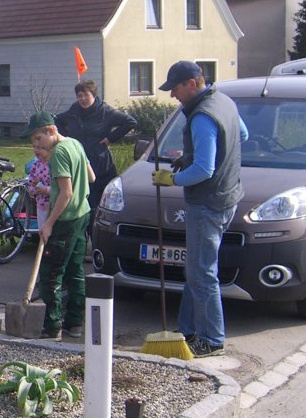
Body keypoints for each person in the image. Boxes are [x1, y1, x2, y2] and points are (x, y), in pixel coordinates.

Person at [152, 61, 247, 358]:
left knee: (203, 273)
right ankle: (189, 329)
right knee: (196, 269)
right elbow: (240, 135)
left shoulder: (202, 115)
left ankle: (211, 338)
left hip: (208, 201)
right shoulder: (224, 101)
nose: (173, 96)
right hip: (228, 196)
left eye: (175, 88)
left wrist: (173, 178)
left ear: (193, 83)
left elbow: (204, 169)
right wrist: (189, 155)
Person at [23, 111, 94, 340]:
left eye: (38, 139)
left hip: (65, 220)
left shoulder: (58, 154)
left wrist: (49, 224)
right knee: (75, 271)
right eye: (34, 141)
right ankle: (75, 323)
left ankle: (51, 325)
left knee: (52, 273)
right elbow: (91, 177)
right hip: (83, 214)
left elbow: (66, 193)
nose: (37, 145)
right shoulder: (75, 144)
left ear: (51, 131)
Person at [55, 80, 137, 238]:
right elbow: (57, 120)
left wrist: (110, 138)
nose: (83, 99)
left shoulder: (105, 111)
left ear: (93, 95)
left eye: (86, 95)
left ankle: (104, 240)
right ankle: (87, 241)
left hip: (101, 165)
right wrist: (67, 139)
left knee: (105, 206)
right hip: (80, 165)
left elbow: (130, 122)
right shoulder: (74, 111)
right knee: (87, 205)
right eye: (80, 96)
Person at [26, 147, 52, 229]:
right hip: (41, 204)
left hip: (56, 205)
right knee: (42, 229)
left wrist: (47, 190)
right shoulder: (36, 164)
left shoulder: (55, 164)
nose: (36, 150)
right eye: (34, 147)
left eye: (40, 148)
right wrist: (33, 189)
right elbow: (30, 180)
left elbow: (62, 186)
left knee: (55, 231)